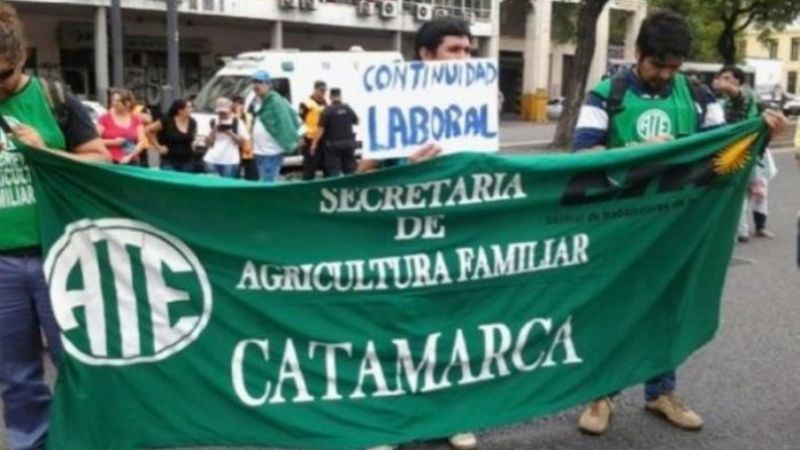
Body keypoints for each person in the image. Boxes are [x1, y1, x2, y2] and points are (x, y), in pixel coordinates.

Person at [572, 11, 785, 437]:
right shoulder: (606, 94)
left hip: (676, 227)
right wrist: (636, 150)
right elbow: (581, 157)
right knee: (614, 308)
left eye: (674, 67)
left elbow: (727, 152)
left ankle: (660, 391)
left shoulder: (699, 95)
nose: (665, 75)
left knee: (670, 308)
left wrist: (761, 133)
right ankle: (602, 393)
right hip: (621, 226)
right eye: (657, 66)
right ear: (638, 54)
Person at [0, 4, 110, 450]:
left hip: (60, 254)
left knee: (79, 365)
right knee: (15, 374)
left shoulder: (54, 98)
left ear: (22, 58)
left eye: (3, 75)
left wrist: (46, 150)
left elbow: (101, 160)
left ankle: (88, 441)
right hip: (3, 266)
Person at [366, 16, 478, 450]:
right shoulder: (388, 99)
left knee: (451, 328)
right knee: (393, 330)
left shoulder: (474, 104)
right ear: (426, 54)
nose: (464, 58)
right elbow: (361, 177)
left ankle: (453, 415)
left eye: (468, 50)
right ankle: (387, 423)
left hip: (453, 236)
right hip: (397, 238)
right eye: (455, 49)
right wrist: (406, 172)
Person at [713, 65, 778, 242]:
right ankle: (742, 231)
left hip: (753, 152)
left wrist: (724, 86)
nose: (723, 82)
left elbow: (739, 97)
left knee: (757, 192)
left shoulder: (745, 94)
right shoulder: (725, 101)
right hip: (741, 152)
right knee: (743, 193)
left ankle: (755, 228)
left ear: (738, 81)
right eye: (722, 78)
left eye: (727, 78)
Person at [250, 70, 301, 183]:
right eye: (254, 82)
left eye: (259, 82)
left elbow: (288, 120)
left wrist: (293, 140)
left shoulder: (276, 101)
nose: (255, 85)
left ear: (268, 85)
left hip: (271, 152)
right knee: (264, 181)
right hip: (260, 151)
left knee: (268, 183)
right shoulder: (259, 102)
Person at [313, 87, 358, 177]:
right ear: (340, 96)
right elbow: (357, 122)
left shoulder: (327, 110)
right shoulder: (348, 108)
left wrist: (314, 143)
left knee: (333, 169)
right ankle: (351, 187)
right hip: (348, 143)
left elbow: (321, 129)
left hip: (333, 145)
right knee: (350, 169)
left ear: (330, 97)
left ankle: (336, 188)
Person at [145, 98, 197, 173]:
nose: (191, 109)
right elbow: (148, 130)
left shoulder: (192, 122)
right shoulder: (167, 121)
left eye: (192, 107)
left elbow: (191, 137)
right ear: (180, 110)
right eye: (188, 107)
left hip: (187, 161)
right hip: (169, 161)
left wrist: (193, 144)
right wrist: (158, 147)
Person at [97, 88, 147, 164]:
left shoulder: (135, 119)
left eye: (118, 101)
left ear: (128, 103)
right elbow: (94, 141)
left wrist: (129, 156)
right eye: (113, 100)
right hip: (110, 161)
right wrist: (112, 142)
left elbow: (141, 142)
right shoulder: (105, 118)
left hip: (132, 161)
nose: (114, 103)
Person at [204, 96, 248, 178]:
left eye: (224, 112)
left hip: (230, 161)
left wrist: (230, 133)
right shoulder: (213, 121)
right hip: (211, 159)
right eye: (219, 112)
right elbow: (208, 144)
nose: (221, 114)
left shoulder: (237, 122)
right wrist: (214, 131)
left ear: (230, 109)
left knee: (227, 186)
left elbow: (241, 143)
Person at [299, 81, 328, 180]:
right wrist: (302, 137)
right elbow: (300, 121)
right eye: (320, 91)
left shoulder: (325, 102)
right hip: (310, 139)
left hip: (323, 139)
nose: (322, 93)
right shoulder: (306, 103)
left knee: (326, 166)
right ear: (315, 89)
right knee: (310, 168)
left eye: (324, 91)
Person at [232, 95, 258, 180]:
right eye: (237, 104)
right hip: (235, 148)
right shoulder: (231, 117)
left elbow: (251, 130)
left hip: (247, 148)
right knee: (235, 172)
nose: (240, 106)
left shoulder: (248, 116)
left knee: (251, 172)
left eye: (241, 103)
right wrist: (237, 116)